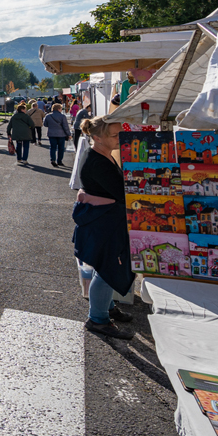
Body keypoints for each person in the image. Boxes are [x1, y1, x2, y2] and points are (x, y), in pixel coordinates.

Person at [73, 116, 134, 338]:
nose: (120, 139)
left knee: (106, 266)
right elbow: (121, 193)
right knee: (107, 268)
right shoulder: (98, 162)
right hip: (103, 222)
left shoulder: (102, 154)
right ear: (98, 138)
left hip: (104, 219)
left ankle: (106, 307)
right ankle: (98, 319)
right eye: (115, 135)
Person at [43, 103, 73, 168]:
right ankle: (59, 161)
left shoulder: (48, 116)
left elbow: (45, 124)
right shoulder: (62, 116)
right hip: (61, 134)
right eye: (61, 108)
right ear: (59, 109)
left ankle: (53, 160)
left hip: (51, 134)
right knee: (61, 148)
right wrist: (69, 134)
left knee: (52, 147)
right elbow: (65, 126)